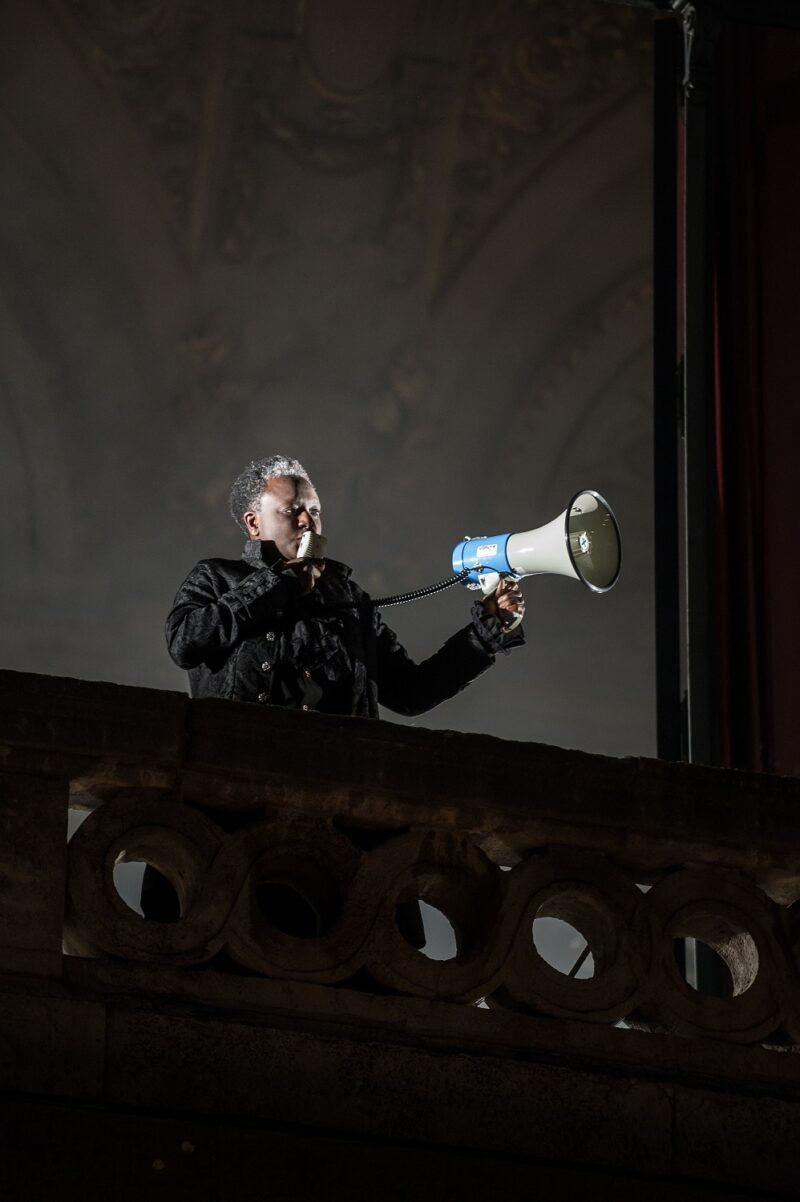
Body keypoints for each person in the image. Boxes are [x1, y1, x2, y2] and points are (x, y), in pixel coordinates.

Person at [165, 454, 525, 717]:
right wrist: (277, 585)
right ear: (254, 523)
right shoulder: (216, 577)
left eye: (315, 510)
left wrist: (486, 632)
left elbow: (411, 693)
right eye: (291, 510)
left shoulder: (350, 598)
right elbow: (185, 643)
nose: (308, 521)